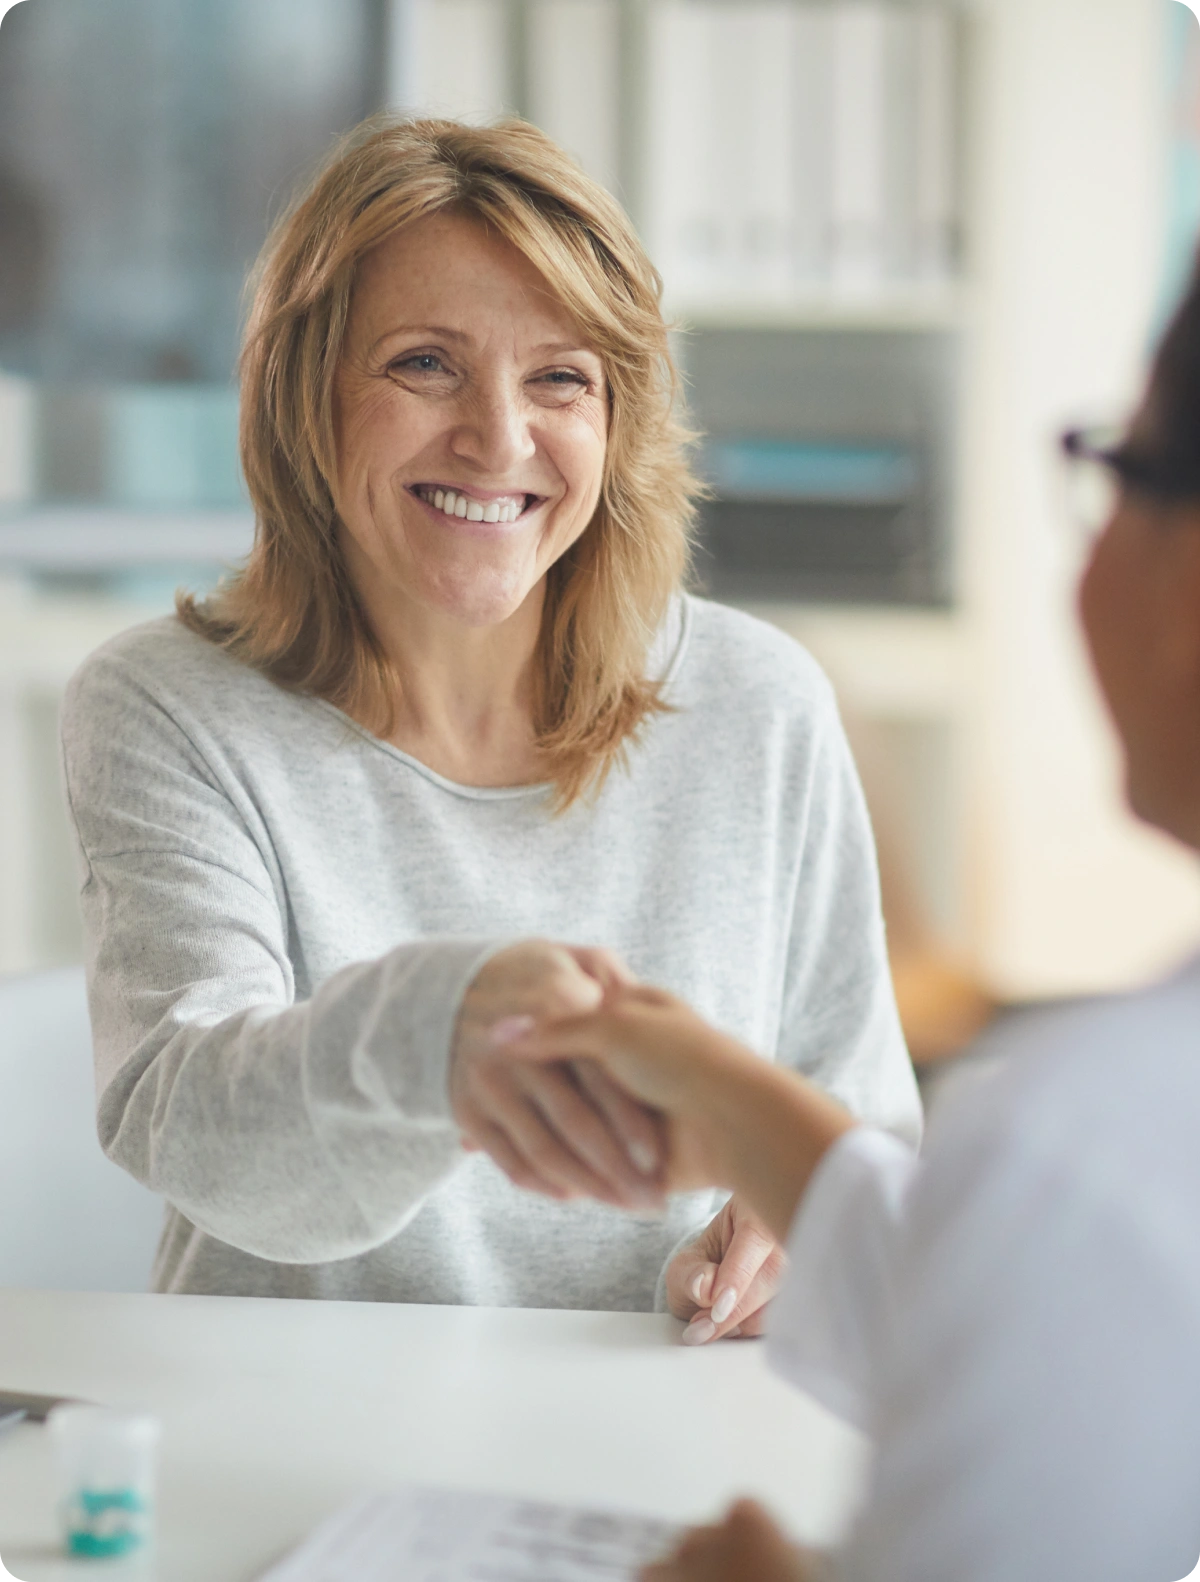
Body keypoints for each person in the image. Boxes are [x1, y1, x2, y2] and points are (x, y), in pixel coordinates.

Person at [60, 116, 920, 1317]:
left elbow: (863, 1133)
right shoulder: (165, 706)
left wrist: (793, 1226)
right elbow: (198, 1134)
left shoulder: (761, 702)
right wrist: (440, 1036)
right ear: (306, 396)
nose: (498, 438)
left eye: (560, 377)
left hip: (659, 1431)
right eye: (423, 363)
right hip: (300, 1436)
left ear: (617, 422)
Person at [501, 254, 1200, 1579]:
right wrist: (724, 1091)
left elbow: (1060, 1271)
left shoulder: (1084, 1150)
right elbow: (1016, 1305)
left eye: (1118, 468)